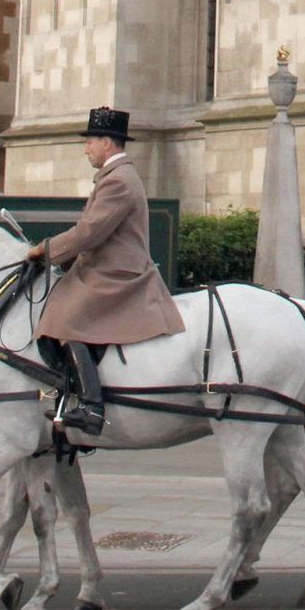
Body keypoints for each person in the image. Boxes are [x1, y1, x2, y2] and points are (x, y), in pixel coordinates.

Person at [25, 107, 184, 435]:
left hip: (116, 273)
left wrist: (47, 250)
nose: (86, 148)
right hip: (101, 266)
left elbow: (89, 233)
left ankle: (91, 407)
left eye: (90, 142)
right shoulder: (114, 176)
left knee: (66, 319)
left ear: (108, 143)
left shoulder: (120, 181)